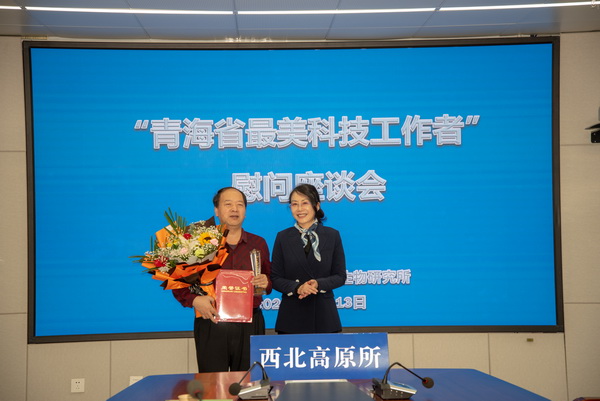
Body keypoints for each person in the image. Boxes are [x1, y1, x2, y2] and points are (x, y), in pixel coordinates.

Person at [173, 187, 272, 372]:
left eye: (240, 205)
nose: (234, 209)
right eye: (228, 204)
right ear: (216, 210)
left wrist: (266, 283)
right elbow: (178, 280)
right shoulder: (198, 242)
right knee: (212, 383)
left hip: (250, 323)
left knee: (248, 381)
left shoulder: (258, 243)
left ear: (245, 211)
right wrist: (194, 300)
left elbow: (268, 279)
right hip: (212, 321)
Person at [270, 183, 346, 334]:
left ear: (316, 206)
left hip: (324, 316)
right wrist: (298, 287)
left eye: (304, 203)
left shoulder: (332, 235)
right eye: (294, 204)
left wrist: (318, 284)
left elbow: (340, 276)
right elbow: (275, 278)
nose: (299, 209)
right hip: (292, 316)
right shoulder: (283, 237)